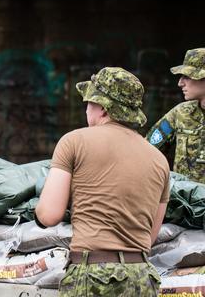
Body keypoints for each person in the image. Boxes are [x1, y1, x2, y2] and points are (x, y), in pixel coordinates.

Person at [35, 67, 169, 296]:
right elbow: (149, 237)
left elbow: (49, 215)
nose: (86, 109)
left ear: (103, 109)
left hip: (92, 277)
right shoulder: (159, 160)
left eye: (89, 102)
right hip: (141, 278)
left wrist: (37, 211)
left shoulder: (74, 141)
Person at [147, 48, 205, 182]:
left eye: (187, 76)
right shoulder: (181, 113)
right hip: (184, 201)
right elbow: (147, 150)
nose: (180, 83)